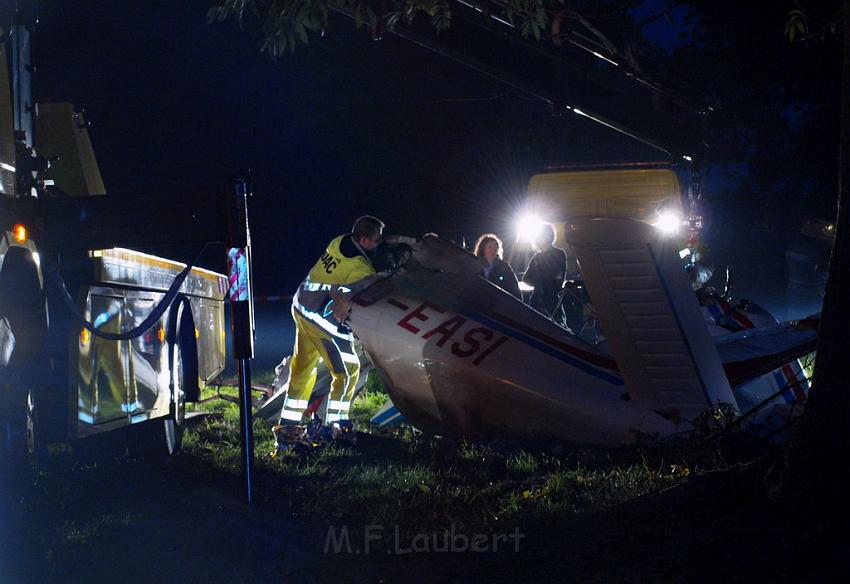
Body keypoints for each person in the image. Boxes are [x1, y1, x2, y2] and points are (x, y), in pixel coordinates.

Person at [274, 215, 384, 448]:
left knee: (303, 369)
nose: (379, 244)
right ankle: (336, 428)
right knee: (348, 370)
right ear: (364, 240)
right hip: (319, 318)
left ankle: (287, 430)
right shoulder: (360, 268)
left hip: (301, 305)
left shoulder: (339, 241)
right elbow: (368, 290)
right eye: (376, 240)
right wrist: (380, 275)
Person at [523, 223, 568, 322]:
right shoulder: (559, 254)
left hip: (541, 300)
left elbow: (526, 279)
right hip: (550, 299)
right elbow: (560, 277)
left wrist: (538, 283)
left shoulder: (538, 257)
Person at [473, 233, 521, 299]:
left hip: (498, 305)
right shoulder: (474, 265)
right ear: (483, 249)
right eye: (490, 247)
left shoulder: (504, 267)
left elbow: (515, 290)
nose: (493, 250)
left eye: (495, 247)